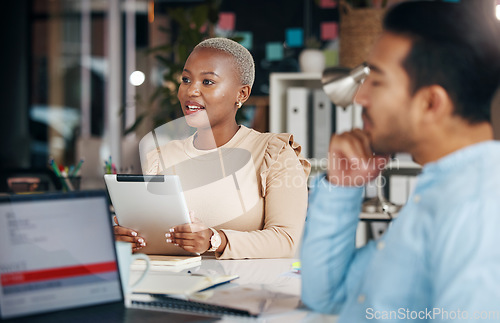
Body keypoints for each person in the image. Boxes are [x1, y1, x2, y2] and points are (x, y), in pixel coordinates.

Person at [301, 1, 500, 322]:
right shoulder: (439, 188)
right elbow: (326, 297)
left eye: (376, 81)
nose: (359, 97)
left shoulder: (478, 206)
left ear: (430, 103)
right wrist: (342, 185)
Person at [114, 37, 310, 259]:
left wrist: (215, 240)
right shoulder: (162, 157)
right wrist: (130, 239)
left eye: (207, 82)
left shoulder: (274, 153)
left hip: (247, 291)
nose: (191, 91)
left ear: (242, 94)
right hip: (174, 287)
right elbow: (155, 243)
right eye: (186, 79)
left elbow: (287, 240)